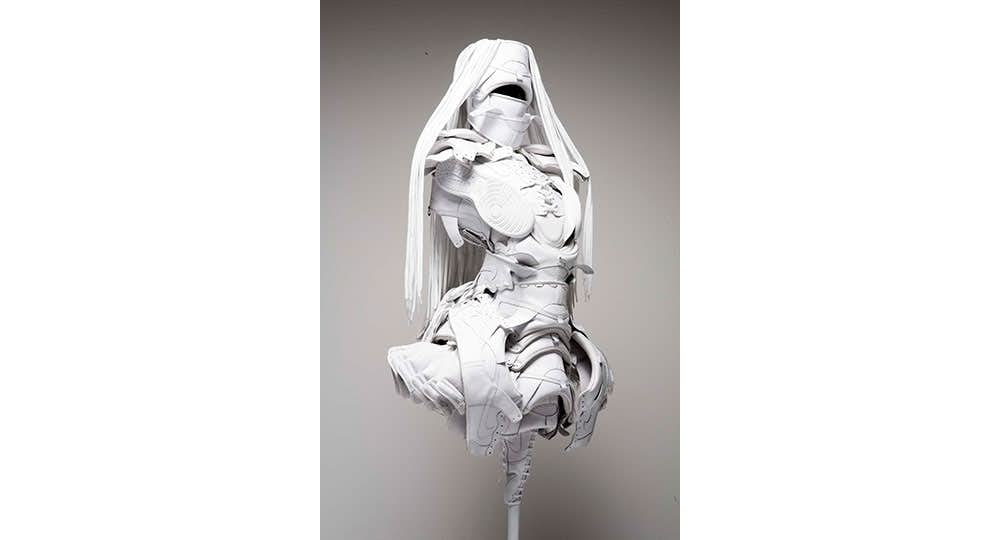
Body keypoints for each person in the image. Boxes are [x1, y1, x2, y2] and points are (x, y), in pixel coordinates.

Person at [388, 38, 614, 512]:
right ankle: (512, 441)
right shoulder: (458, 165)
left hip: (552, 329)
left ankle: (519, 452)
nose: (513, 99)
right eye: (502, 87)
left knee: (551, 393)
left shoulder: (554, 174)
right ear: (472, 96)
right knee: (430, 369)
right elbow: (461, 227)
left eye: (520, 89)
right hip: (500, 318)